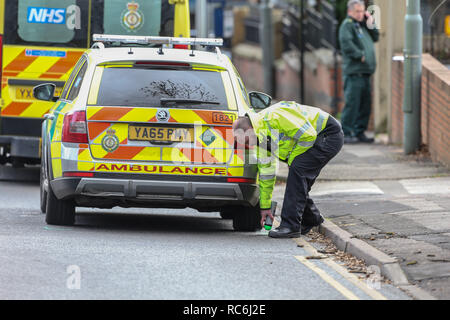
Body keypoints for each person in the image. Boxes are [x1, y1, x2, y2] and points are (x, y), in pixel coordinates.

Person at [233, 101, 344, 238]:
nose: (249, 146)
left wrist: (292, 161)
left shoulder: (275, 117)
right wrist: (265, 207)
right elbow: (267, 174)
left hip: (328, 135)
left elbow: (308, 135)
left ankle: (290, 226)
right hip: (314, 140)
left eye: (248, 142)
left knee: (297, 171)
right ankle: (311, 218)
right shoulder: (261, 137)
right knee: (298, 178)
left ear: (250, 130)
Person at [339, 0, 379, 144]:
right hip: (354, 73)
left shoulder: (362, 25)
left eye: (362, 11)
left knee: (365, 105)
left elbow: (376, 37)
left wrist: (370, 21)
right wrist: (359, 55)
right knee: (352, 104)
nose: (360, 14)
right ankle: (346, 132)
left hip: (366, 73)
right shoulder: (347, 25)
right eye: (357, 11)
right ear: (350, 12)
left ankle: (359, 131)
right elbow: (346, 43)